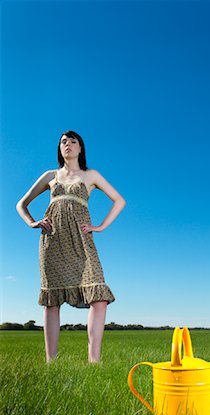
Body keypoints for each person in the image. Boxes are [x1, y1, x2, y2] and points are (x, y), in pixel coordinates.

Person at [16, 130, 126, 363]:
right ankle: (51, 362)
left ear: (80, 148)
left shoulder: (90, 175)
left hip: (81, 240)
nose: (67, 145)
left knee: (99, 297)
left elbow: (119, 200)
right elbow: (21, 204)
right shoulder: (50, 176)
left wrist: (101, 226)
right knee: (52, 301)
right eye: (63, 142)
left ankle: (94, 361)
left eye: (72, 141)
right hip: (52, 240)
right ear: (59, 148)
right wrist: (32, 222)